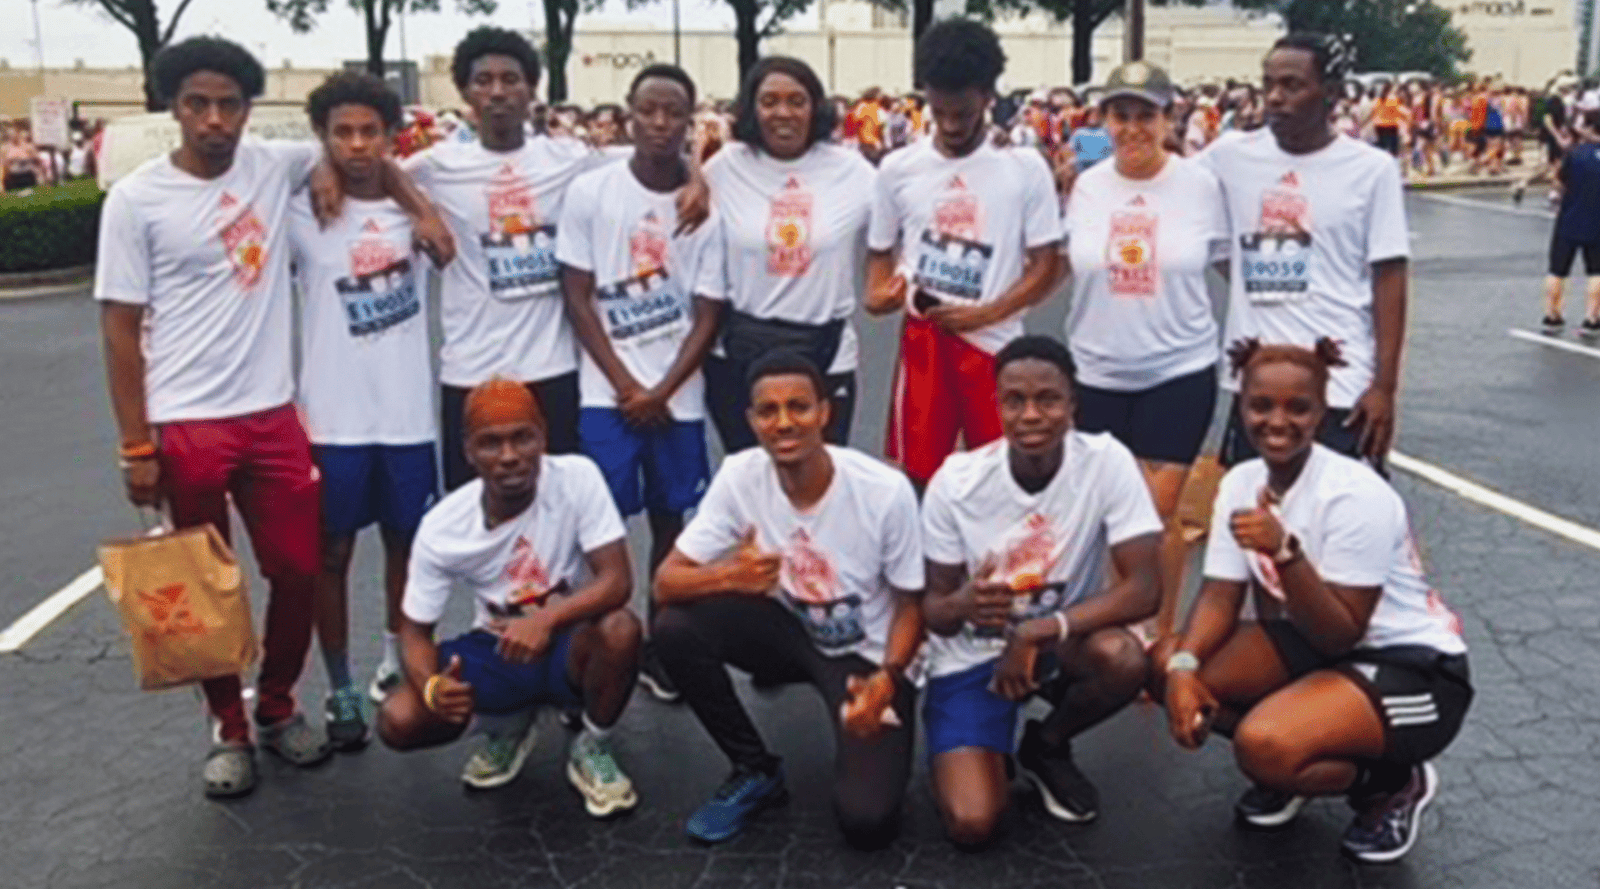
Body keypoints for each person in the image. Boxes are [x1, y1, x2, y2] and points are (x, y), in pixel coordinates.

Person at [95, 37, 451, 798]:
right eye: (197, 104)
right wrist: (135, 445)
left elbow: (365, 157)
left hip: (273, 416)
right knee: (203, 586)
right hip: (186, 419)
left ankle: (280, 704)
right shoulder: (137, 199)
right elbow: (119, 327)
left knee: (297, 569)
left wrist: (418, 207)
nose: (214, 119)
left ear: (248, 110)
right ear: (172, 107)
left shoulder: (273, 165)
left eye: (229, 105)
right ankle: (228, 726)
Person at [1151, 339, 1471, 864]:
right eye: (1261, 406)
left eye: (1297, 408)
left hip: (1409, 666)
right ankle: (1299, 755)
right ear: (1241, 408)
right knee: (1166, 662)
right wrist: (1184, 668)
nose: (1277, 421)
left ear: (1321, 414)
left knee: (1264, 746)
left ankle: (1390, 783)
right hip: (1318, 645)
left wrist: (1285, 552)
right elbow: (1220, 595)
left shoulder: (1355, 494)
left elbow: (1341, 633)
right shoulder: (1241, 482)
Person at [403, 28, 705, 491]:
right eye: (483, 81)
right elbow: (375, 175)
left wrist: (699, 177)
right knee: (473, 505)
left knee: (561, 504)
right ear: (464, 92)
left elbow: (656, 155)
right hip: (471, 367)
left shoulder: (570, 159)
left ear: (532, 90)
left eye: (511, 80)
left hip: (552, 368)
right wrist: (421, 211)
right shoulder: (436, 167)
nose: (498, 92)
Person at [653, 353, 925, 848]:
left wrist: (889, 678)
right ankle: (753, 769)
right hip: (790, 631)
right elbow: (665, 583)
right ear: (752, 420)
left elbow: (912, 605)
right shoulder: (740, 475)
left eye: (798, 407)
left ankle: (870, 710)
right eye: (768, 410)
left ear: (824, 413)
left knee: (867, 821)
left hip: (866, 660)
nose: (783, 422)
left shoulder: (884, 493)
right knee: (674, 627)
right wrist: (730, 576)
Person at [921, 336, 1162, 843]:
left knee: (1123, 658)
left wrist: (1036, 631)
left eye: (1048, 399)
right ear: (998, 406)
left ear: (1073, 404)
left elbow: (1145, 590)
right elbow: (934, 612)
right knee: (972, 824)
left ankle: (1046, 745)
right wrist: (963, 603)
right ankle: (983, 739)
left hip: (1056, 643)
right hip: (974, 656)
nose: (1031, 415)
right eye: (1015, 401)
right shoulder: (956, 482)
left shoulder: (1106, 462)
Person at [377, 379, 643, 816]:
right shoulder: (443, 528)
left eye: (522, 437)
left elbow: (616, 580)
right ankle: (508, 725)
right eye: (490, 443)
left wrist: (545, 620)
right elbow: (415, 631)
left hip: (571, 642)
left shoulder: (578, 477)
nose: (509, 456)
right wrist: (431, 686)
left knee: (621, 629)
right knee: (399, 718)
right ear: (468, 451)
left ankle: (592, 744)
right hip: (501, 648)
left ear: (543, 437)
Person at [558, 64, 726, 703]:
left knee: (669, 522)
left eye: (673, 113)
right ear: (628, 114)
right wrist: (628, 385)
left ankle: (659, 644)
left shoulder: (704, 204)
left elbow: (708, 313)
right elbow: (577, 297)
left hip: (678, 396)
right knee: (595, 527)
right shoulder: (592, 192)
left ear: (689, 120)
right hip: (607, 394)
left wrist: (662, 390)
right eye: (648, 111)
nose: (659, 123)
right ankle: (593, 642)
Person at [289, 72, 445, 746]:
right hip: (333, 421)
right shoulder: (301, 210)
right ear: (323, 137)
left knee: (407, 547)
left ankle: (393, 660)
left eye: (369, 132)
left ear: (390, 136)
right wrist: (319, 166)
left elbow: (446, 238)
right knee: (331, 553)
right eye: (342, 133)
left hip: (407, 417)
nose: (356, 144)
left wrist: (413, 200)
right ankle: (341, 685)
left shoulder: (419, 208)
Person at [1063, 61, 1228, 640]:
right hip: (1096, 371)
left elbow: (1233, 267)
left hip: (1177, 370)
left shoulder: (1201, 186)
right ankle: (1112, 631)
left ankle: (1157, 635)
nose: (1132, 128)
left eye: (1145, 115)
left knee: (1155, 516)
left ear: (1169, 119)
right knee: (1107, 515)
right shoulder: (1086, 186)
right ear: (1104, 120)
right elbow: (1056, 263)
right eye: (1120, 115)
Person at [866, 19, 1063, 492]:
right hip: (926, 339)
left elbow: (1046, 265)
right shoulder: (898, 169)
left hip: (995, 345)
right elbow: (878, 260)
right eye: (940, 112)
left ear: (988, 96)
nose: (952, 125)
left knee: (1004, 476)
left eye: (964, 113)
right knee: (921, 477)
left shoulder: (1023, 167)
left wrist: (988, 313)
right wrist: (880, 295)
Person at [1199, 33, 1409, 470]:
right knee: (1253, 505)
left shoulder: (1372, 170)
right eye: (1268, 84)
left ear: (1330, 93)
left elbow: (1389, 276)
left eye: (1292, 85)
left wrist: (1384, 386)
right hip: (1257, 377)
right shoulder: (1228, 156)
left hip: (1339, 381)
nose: (1275, 97)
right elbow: (1170, 192)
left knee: (1337, 506)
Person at [703, 55, 876, 452]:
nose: (783, 113)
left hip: (826, 350)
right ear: (751, 108)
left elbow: (905, 220)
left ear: (816, 107)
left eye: (797, 101)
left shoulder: (853, 172)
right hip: (740, 349)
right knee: (749, 473)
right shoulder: (723, 169)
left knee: (822, 473)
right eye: (769, 102)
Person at [1539, 110, 1600, 336]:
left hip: (1569, 218)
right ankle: (1592, 318)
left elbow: (1559, 181)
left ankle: (1552, 315)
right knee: (1596, 272)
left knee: (1557, 270)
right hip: (1597, 221)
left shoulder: (1575, 154)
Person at [3, 121, 39, 191]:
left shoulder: (27, 146)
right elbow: (4, 165)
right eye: (11, 136)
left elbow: (36, 159)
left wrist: (27, 158)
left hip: (28, 174)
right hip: (14, 176)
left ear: (18, 134)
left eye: (15, 135)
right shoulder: (5, 148)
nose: (13, 137)